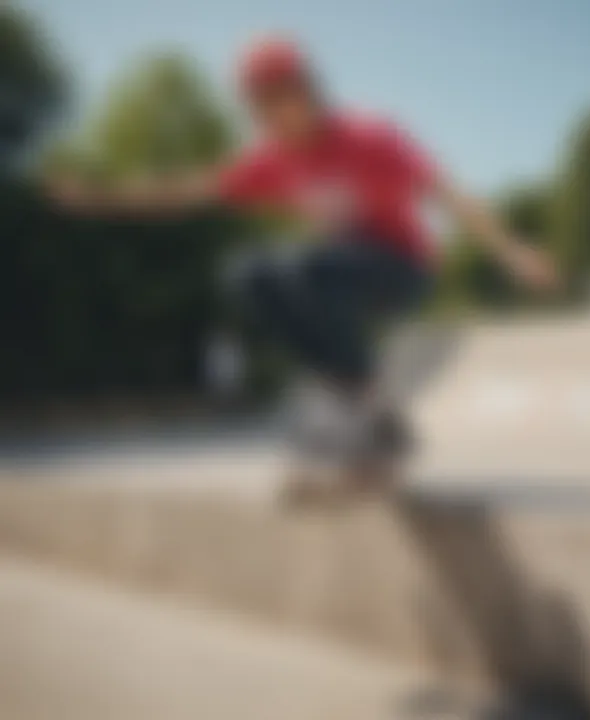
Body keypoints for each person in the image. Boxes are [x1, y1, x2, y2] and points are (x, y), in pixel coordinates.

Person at [47, 36, 559, 465]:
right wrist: (97, 199)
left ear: (307, 91)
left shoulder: (370, 138)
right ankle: (358, 401)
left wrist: (511, 251)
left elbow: (445, 192)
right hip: (340, 274)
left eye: (276, 103)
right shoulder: (270, 160)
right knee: (247, 273)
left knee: (306, 266)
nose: (269, 120)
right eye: (258, 109)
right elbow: (187, 191)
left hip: (404, 268)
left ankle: (357, 395)